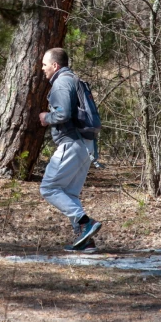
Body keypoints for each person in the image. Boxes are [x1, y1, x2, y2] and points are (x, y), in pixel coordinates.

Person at [39, 48, 102, 251]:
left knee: (49, 188)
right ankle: (86, 241)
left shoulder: (61, 82)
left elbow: (63, 114)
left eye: (44, 64)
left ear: (55, 65)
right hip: (86, 145)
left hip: (72, 142)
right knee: (70, 193)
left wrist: (45, 118)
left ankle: (86, 222)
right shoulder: (74, 80)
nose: (43, 69)